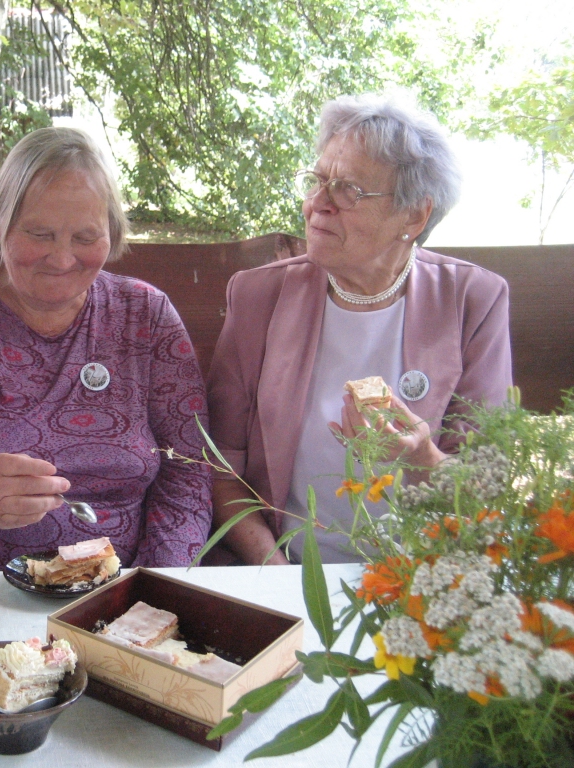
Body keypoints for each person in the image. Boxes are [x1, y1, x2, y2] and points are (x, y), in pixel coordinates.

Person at [0, 126, 211, 571]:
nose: (62, 259)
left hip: (115, 587)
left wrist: (157, 584)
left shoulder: (145, 315)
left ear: (111, 232)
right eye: (40, 234)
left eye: (86, 238)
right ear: (0, 224)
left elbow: (189, 467)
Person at [207, 94, 512, 565]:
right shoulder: (257, 297)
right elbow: (222, 465)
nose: (318, 205)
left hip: (416, 575)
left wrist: (421, 457)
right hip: (284, 564)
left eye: (348, 190)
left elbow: (483, 484)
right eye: (318, 182)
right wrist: (276, 571)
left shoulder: (473, 300)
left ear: (414, 215)